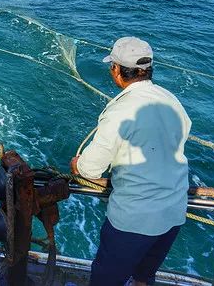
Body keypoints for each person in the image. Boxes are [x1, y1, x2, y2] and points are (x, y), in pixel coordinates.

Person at [70, 37, 191, 286]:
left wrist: (76, 165)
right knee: (143, 278)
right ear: (148, 69)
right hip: (173, 212)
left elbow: (89, 169)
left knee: (105, 281)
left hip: (135, 219)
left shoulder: (119, 112)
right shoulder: (172, 101)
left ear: (116, 70)